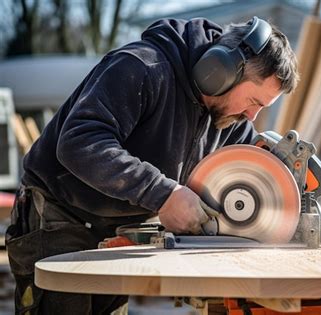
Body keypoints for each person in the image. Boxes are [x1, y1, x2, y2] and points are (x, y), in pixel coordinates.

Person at [6, 16, 298, 314]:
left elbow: (254, 169)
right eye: (253, 102)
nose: (252, 116)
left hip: (118, 227)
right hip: (60, 215)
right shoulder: (142, 67)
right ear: (220, 72)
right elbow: (80, 143)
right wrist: (163, 194)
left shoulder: (230, 117)